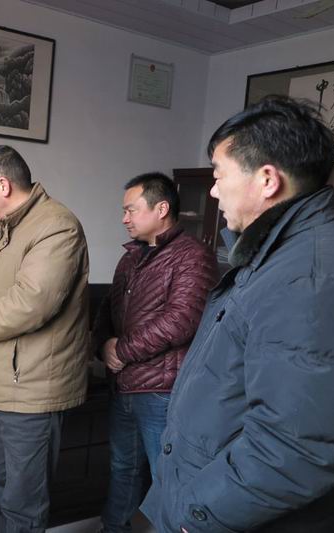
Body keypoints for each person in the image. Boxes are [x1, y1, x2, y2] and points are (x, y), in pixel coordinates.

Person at [140, 95, 334, 532]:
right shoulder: (276, 255)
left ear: (267, 180)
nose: (213, 191)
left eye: (219, 175)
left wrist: (197, 516)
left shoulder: (308, 275)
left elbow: (296, 447)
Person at [0, 145, 90, 533]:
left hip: (32, 390)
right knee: (2, 488)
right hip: (4, 384)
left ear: (2, 185)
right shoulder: (10, 227)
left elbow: (32, 303)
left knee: (23, 504)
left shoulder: (57, 226)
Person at [93, 172, 217, 532]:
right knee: (122, 471)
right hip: (124, 387)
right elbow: (107, 310)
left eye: (131, 210)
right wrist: (103, 345)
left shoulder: (193, 256)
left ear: (161, 208)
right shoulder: (131, 258)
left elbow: (181, 320)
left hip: (162, 392)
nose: (124, 218)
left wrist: (122, 350)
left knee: (168, 480)